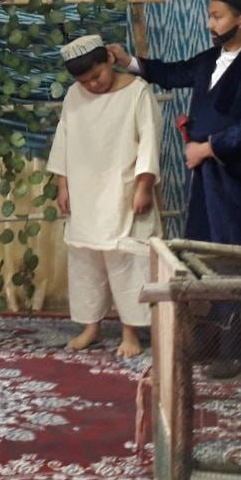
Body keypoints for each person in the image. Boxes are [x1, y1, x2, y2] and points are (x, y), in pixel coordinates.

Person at [107, 0, 241, 379]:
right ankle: (208, 336)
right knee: (200, 248)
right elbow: (173, 72)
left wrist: (208, 147)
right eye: (209, 15)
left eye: (217, 17)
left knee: (231, 256)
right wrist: (128, 61)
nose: (209, 23)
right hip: (203, 174)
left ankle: (236, 349)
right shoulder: (209, 59)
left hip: (233, 176)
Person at [47, 35, 162, 357]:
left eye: (96, 76)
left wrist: (144, 186)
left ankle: (130, 331)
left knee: (127, 260)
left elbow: (150, 141)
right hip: (84, 190)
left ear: (109, 60)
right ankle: (91, 326)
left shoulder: (138, 92)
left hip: (124, 189)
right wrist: (63, 185)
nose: (92, 85)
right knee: (85, 260)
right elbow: (64, 139)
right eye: (84, 81)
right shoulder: (74, 95)